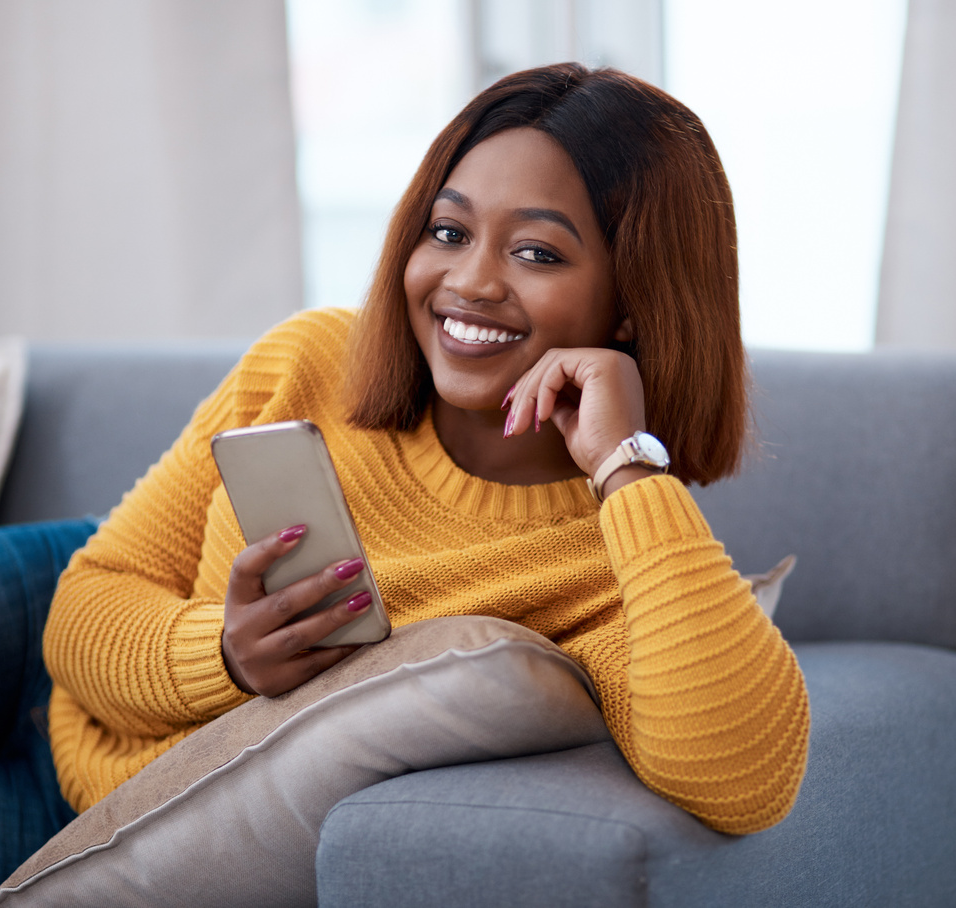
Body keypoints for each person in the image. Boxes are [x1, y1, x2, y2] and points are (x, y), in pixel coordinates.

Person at [43, 62, 810, 836]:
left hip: (99, 833)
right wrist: (225, 656)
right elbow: (82, 606)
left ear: (634, 303)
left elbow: (741, 783)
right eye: (448, 232)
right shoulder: (313, 359)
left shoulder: (603, 571)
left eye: (536, 253)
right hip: (63, 698)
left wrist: (629, 470)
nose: (469, 282)